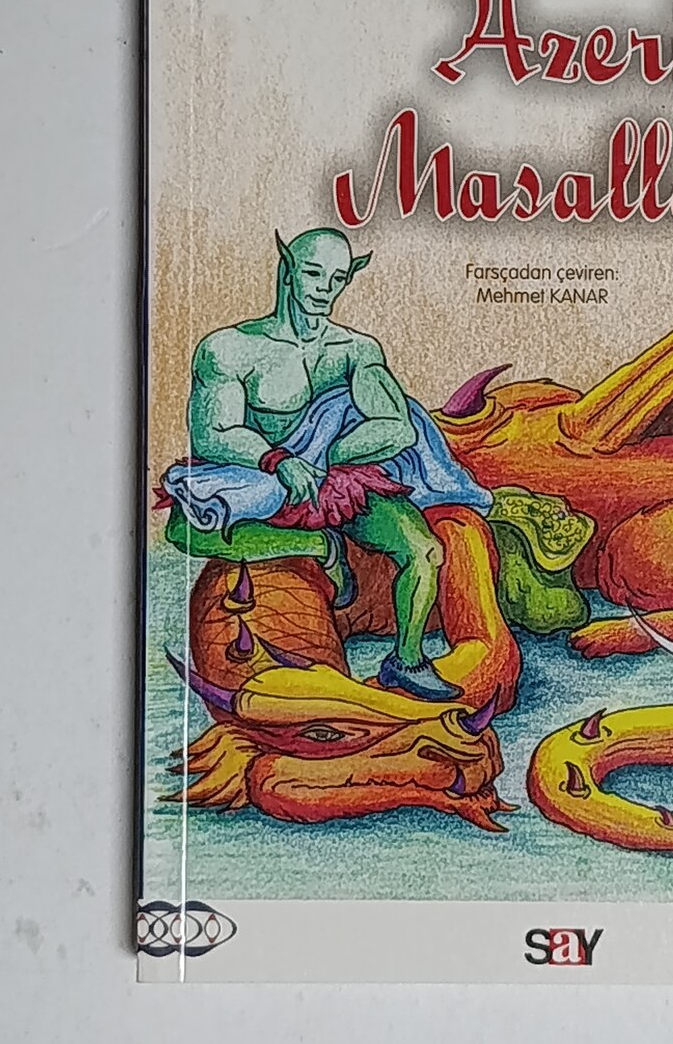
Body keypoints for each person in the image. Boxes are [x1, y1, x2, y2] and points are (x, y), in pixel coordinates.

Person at [157, 227, 490, 703]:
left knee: (424, 551)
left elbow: (397, 427)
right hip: (261, 476)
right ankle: (317, 544)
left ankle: (406, 660)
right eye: (314, 274)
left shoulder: (356, 350)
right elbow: (213, 433)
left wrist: (330, 455)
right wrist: (279, 460)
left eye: (337, 279)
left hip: (337, 480)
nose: (324, 289)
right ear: (288, 270)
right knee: (186, 529)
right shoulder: (228, 348)